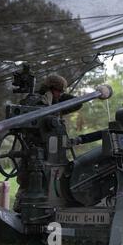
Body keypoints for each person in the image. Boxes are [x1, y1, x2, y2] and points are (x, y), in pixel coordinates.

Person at [13, 74, 81, 213]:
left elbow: (77, 103)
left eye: (62, 93)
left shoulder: (54, 104)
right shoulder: (36, 102)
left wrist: (60, 95)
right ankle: (23, 208)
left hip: (52, 150)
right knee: (29, 182)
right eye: (59, 91)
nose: (60, 95)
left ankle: (49, 209)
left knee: (52, 181)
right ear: (50, 89)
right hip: (34, 150)